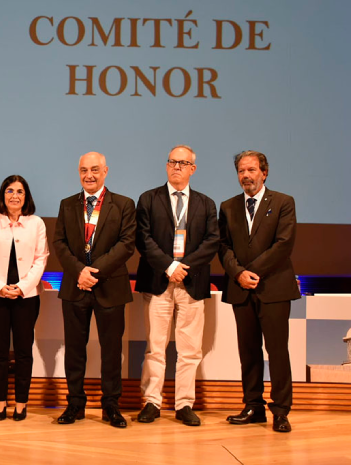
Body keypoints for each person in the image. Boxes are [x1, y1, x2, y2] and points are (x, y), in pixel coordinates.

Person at [134, 145, 219, 427]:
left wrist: (184, 267)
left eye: (183, 163)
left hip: (191, 283)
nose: (177, 167)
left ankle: (184, 404)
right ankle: (152, 402)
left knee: (190, 349)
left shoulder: (206, 203)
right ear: (166, 165)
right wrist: (169, 266)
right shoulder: (148, 198)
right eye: (172, 162)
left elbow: (211, 243)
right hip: (158, 280)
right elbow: (143, 240)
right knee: (155, 347)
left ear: (193, 169)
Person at [218, 150, 300, 433]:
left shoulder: (283, 202)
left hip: (273, 288)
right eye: (241, 171)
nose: (246, 176)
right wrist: (238, 273)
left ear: (264, 173)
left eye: (251, 170)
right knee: (248, 351)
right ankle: (253, 406)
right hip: (241, 289)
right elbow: (223, 246)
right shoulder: (228, 206)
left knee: (277, 352)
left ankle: (280, 411)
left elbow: (284, 244)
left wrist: (251, 270)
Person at [53, 151, 136, 428]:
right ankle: (75, 404)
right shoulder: (67, 204)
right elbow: (60, 244)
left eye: (95, 170)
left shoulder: (124, 204)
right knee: (74, 350)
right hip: (75, 287)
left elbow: (126, 244)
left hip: (109, 287)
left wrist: (94, 273)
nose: (89, 175)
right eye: (84, 170)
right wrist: (80, 272)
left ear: (106, 171)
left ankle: (111, 406)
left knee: (112, 350)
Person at [0, 175, 49, 421]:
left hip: (26, 298)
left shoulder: (36, 223)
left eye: (19, 191)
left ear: (26, 196)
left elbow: (41, 259)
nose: (14, 195)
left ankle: (21, 403)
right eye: (9, 190)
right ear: (2, 195)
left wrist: (22, 287)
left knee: (23, 351)